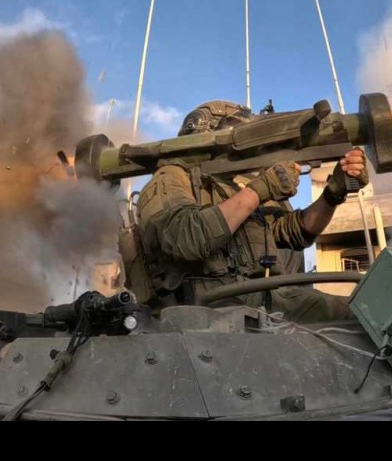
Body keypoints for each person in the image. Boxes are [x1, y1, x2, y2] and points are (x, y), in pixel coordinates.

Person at [137, 100, 369, 324]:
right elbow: (185, 238)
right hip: (210, 305)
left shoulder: (235, 186)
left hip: (268, 298)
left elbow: (296, 232)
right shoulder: (172, 177)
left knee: (368, 316)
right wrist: (259, 190)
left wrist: (333, 193)